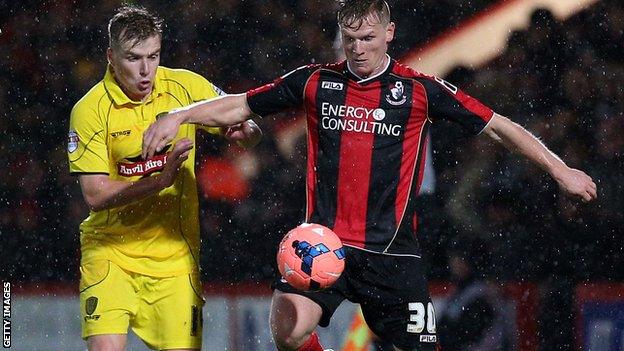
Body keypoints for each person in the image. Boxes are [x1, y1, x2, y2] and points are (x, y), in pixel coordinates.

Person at [142, 1, 597, 349]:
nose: (358, 49)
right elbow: (239, 103)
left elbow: (499, 126)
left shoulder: (419, 90)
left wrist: (561, 170)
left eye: (369, 38)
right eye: (351, 38)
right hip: (323, 246)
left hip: (392, 257)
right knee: (286, 328)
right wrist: (177, 116)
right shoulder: (316, 82)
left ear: (390, 33)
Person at [67, 5, 261, 351]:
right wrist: (159, 180)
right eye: (133, 58)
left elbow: (249, 121)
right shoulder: (89, 109)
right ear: (111, 56)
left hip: (174, 259)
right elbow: (94, 195)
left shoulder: (185, 86)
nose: (145, 71)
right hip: (111, 252)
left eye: (153, 56)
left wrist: (246, 132)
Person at [437, 238, 512, 351]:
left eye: (458, 258)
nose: (453, 263)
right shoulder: (462, 290)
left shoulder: (481, 294)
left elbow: (466, 335)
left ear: (469, 261)